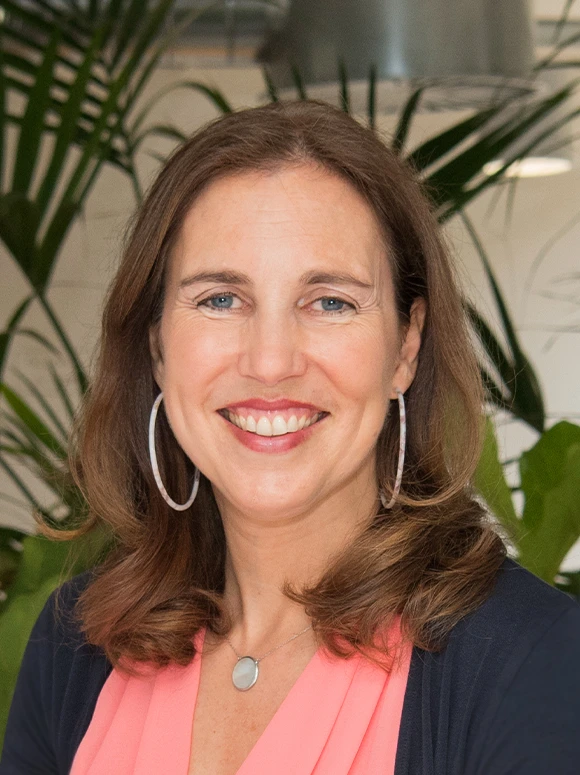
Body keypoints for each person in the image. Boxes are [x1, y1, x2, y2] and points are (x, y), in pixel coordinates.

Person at [1, 100, 580, 775]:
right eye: (221, 298)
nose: (271, 360)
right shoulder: (77, 645)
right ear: (157, 344)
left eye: (330, 301)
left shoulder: (533, 660)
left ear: (405, 346)